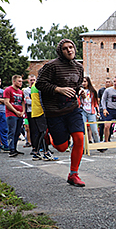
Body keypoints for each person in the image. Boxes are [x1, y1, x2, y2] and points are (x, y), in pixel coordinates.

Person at [36, 38, 86, 186]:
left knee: (79, 138)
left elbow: (76, 87)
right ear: (60, 51)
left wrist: (81, 91)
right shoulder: (51, 66)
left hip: (73, 109)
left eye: (71, 47)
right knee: (62, 147)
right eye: (65, 48)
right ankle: (50, 136)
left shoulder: (79, 67)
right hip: (54, 111)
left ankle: (73, 174)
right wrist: (58, 89)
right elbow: (40, 84)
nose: (69, 50)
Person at [3, 75, 26, 157]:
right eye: (19, 81)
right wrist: (16, 111)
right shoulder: (8, 90)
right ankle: (11, 149)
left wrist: (23, 111)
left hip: (20, 114)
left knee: (17, 132)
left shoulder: (20, 92)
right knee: (11, 131)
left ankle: (15, 148)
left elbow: (23, 102)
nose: (21, 83)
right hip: (11, 114)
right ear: (14, 81)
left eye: (21, 81)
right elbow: (6, 102)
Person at [80, 76, 100, 145]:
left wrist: (97, 112)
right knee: (83, 130)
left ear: (88, 82)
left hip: (91, 111)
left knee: (94, 130)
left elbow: (95, 103)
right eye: (82, 82)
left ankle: (98, 145)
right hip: (83, 111)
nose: (83, 83)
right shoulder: (80, 91)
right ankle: (83, 146)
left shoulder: (93, 91)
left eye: (85, 81)